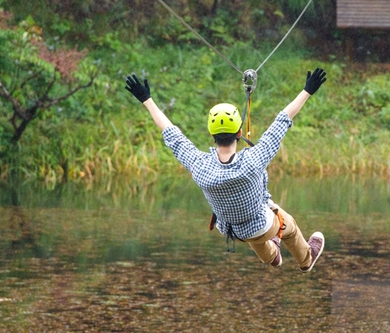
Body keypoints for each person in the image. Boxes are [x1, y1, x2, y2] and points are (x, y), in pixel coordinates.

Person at [123, 68, 328, 272]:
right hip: (261, 225)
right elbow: (282, 121)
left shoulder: (200, 166)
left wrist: (146, 99)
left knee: (253, 226)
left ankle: (273, 256)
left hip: (231, 229)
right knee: (288, 226)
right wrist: (307, 91)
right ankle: (306, 260)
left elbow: (172, 135)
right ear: (240, 133)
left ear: (212, 135)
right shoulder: (253, 160)